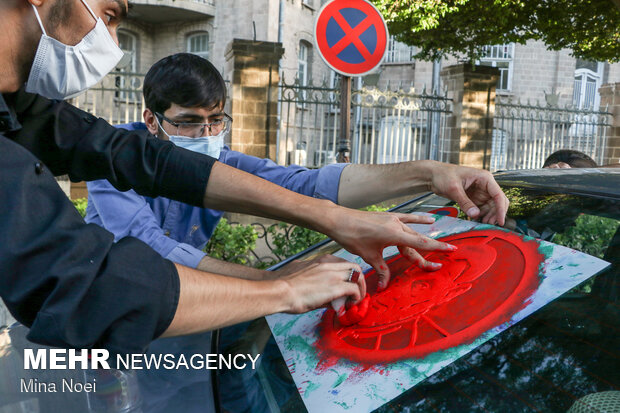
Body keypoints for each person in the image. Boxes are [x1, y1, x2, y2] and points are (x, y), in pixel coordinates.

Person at [0, 0, 508, 356]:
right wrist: (279, 288)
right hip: (125, 344)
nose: (111, 44)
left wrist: (425, 175)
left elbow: (299, 184)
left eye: (214, 121)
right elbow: (106, 275)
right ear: (154, 120)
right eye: (110, 16)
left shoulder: (22, 111)